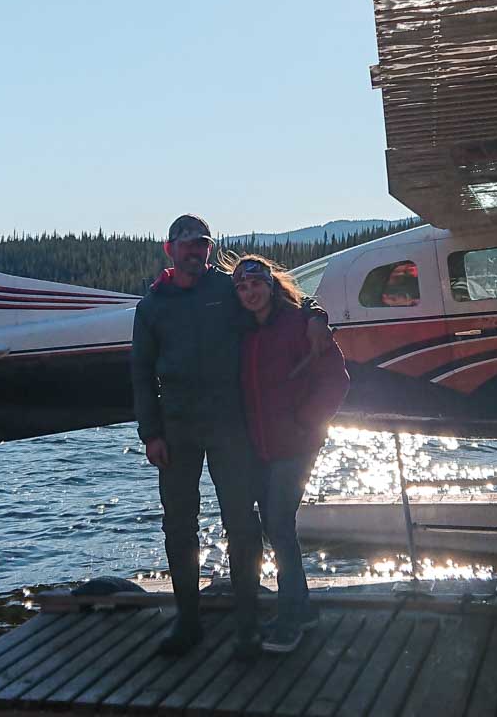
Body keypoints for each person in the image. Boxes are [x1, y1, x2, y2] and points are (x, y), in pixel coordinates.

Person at [130, 215, 330, 661]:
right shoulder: (152, 305)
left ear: (208, 248)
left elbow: (280, 300)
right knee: (179, 525)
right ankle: (188, 620)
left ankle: (247, 620)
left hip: (230, 426)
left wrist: (316, 314)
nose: (193, 252)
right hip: (177, 428)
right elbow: (141, 374)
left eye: (201, 244)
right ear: (170, 250)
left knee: (242, 523)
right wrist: (151, 433)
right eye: (184, 245)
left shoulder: (228, 288)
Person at [231, 255, 349, 653]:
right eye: (242, 288)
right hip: (263, 446)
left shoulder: (301, 324)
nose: (250, 293)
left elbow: (336, 379)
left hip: (296, 445)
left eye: (256, 284)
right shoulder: (245, 333)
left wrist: (307, 421)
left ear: (271, 284)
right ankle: (304, 608)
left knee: (279, 525)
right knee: (278, 527)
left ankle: (292, 618)